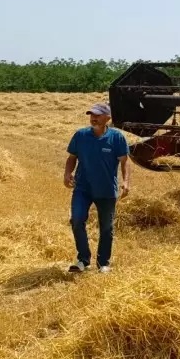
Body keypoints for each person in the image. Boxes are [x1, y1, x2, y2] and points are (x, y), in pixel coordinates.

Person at [63, 102, 130, 273]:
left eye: (98, 115)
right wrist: (67, 173)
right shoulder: (81, 135)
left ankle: (103, 263)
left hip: (106, 189)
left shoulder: (117, 138)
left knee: (106, 227)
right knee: (77, 220)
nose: (93, 118)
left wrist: (126, 182)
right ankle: (83, 260)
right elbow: (72, 157)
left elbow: (125, 161)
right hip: (83, 188)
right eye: (92, 115)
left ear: (107, 118)